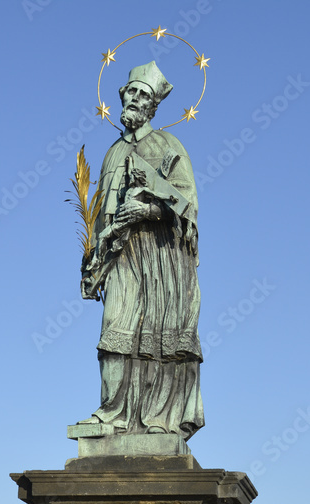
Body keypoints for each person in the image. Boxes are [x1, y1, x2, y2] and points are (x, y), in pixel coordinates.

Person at [78, 61, 204, 439]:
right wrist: (92, 263)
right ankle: (111, 414)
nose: (134, 99)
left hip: (162, 256)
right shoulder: (112, 153)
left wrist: (149, 209)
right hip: (122, 256)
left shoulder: (169, 146)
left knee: (159, 336)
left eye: (143, 95)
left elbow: (189, 206)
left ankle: (158, 420)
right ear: (121, 96)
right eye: (130, 92)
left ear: (153, 106)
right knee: (114, 330)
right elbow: (99, 215)